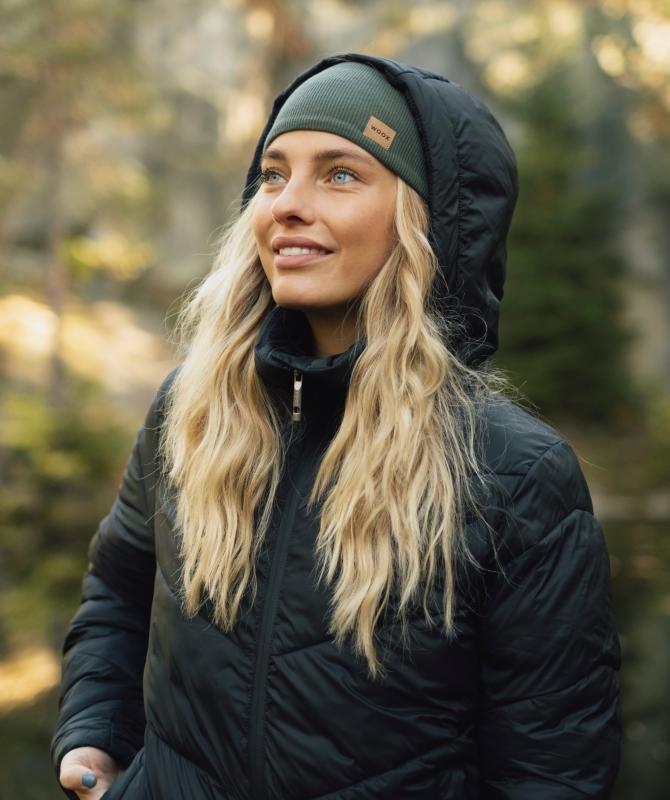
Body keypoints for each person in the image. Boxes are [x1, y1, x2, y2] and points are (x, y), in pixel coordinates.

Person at [52, 53, 622, 800]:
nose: (286, 204)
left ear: (423, 221)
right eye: (273, 174)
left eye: (341, 174)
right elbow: (118, 591)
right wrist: (95, 736)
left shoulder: (511, 473)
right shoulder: (188, 412)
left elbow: (552, 773)